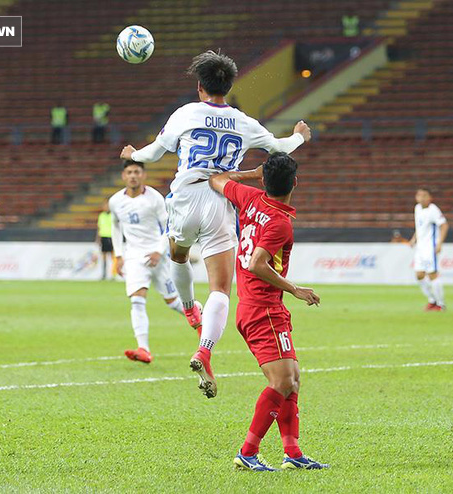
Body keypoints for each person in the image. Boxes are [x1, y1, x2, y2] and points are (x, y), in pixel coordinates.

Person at [120, 50, 311, 398]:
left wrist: (132, 154)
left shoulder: (187, 113)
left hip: (186, 197)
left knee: (178, 256)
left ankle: (190, 310)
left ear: (199, 86)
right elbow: (281, 148)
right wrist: (299, 135)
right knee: (221, 289)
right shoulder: (244, 121)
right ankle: (205, 349)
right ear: (229, 84)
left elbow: (153, 152)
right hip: (222, 201)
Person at [209, 153, 328, 471]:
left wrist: (250, 174)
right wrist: (296, 290)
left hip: (260, 306)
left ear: (264, 181)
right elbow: (256, 263)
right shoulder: (279, 223)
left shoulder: (250, 197)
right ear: (295, 183)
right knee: (282, 382)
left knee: (293, 379)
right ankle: (247, 452)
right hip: (263, 309)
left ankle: (293, 453)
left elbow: (217, 180)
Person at [109, 161, 190, 363]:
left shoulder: (154, 198)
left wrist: (159, 251)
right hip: (134, 256)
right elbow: (115, 227)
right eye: (129, 172)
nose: (133, 176)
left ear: (143, 175)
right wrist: (119, 255)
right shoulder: (115, 201)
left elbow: (167, 226)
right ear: (123, 176)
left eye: (137, 172)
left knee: (173, 302)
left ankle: (205, 320)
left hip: (157, 256)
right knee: (137, 299)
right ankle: (143, 349)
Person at [409, 187, 449, 311]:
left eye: (425, 195)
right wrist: (414, 238)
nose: (422, 198)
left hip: (429, 248)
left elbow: (444, 225)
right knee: (419, 275)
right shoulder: (417, 208)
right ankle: (432, 300)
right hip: (420, 248)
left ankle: (441, 304)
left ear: (430, 197)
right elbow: (420, 227)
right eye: (419, 195)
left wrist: (439, 243)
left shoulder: (433, 210)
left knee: (432, 274)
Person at [96, 199, 114, 280]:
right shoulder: (101, 215)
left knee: (112, 257)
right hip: (103, 237)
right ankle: (104, 274)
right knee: (104, 257)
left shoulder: (113, 215)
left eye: (107, 206)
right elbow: (99, 227)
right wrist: (98, 238)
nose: (105, 207)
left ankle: (113, 275)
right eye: (104, 206)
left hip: (111, 237)